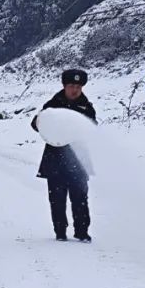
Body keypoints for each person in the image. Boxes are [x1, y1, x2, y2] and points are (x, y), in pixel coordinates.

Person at [31, 68, 97, 242]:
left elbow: (92, 128)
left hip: (79, 159)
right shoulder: (53, 104)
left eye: (78, 86)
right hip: (55, 159)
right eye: (71, 86)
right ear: (64, 86)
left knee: (80, 197)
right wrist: (42, 121)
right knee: (57, 199)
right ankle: (60, 231)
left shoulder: (86, 107)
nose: (74, 90)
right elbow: (36, 123)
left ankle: (82, 231)